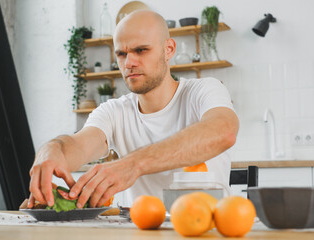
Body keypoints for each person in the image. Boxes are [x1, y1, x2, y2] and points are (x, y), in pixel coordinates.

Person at [28, 10, 239, 209]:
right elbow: (78, 145)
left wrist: (133, 164)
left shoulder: (204, 90)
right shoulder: (114, 111)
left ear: (169, 50)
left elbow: (223, 131)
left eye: (141, 50)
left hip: (204, 230)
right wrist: (52, 149)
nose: (129, 63)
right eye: (121, 54)